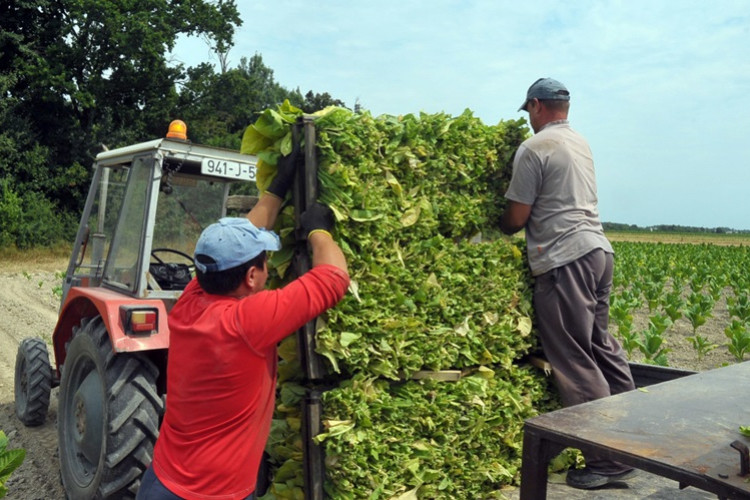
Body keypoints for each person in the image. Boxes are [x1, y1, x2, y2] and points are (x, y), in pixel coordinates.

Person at [137, 144, 350, 500]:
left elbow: (243, 232)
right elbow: (332, 279)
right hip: (215, 495)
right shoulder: (247, 322)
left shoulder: (192, 299)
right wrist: (320, 232)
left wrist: (278, 187)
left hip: (161, 481)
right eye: (265, 261)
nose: (268, 266)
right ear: (252, 276)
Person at [499, 78, 637, 490]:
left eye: (528, 113)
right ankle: (633, 442)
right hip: (598, 252)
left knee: (573, 358)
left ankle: (607, 461)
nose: (528, 121)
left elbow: (517, 218)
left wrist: (496, 226)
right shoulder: (579, 141)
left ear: (537, 106)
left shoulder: (535, 147)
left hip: (565, 260)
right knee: (601, 347)